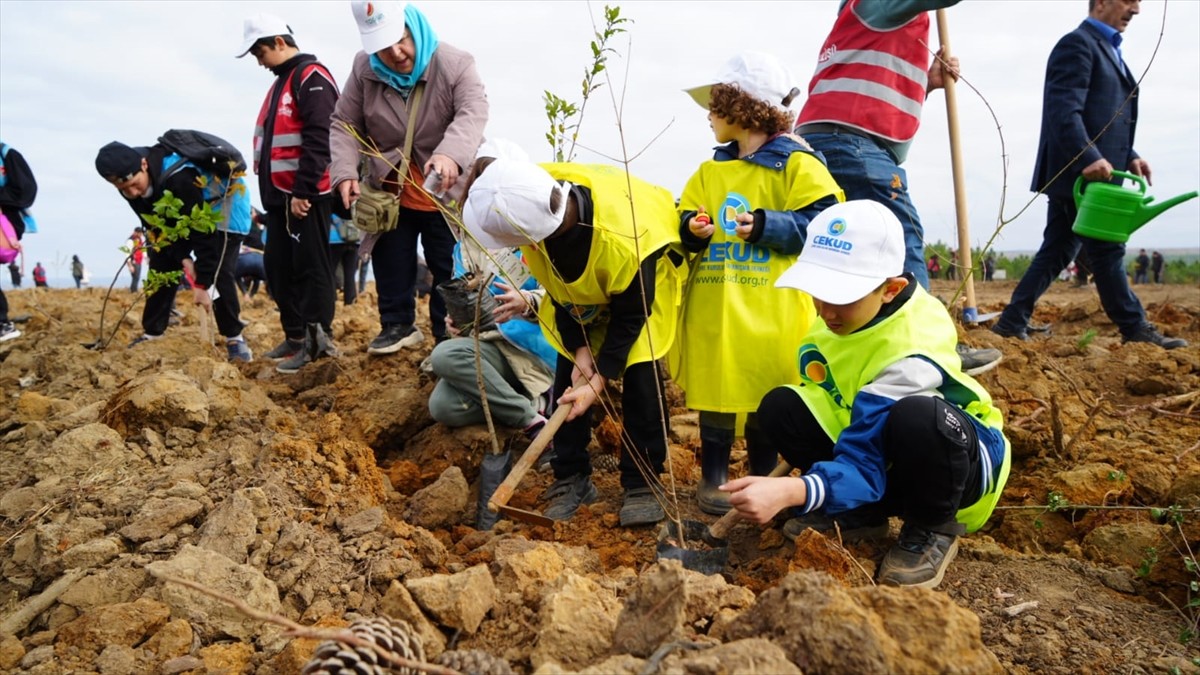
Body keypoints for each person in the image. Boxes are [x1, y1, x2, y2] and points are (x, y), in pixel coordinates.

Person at [721, 200, 1010, 589]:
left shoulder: (911, 351)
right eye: (818, 294)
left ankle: (931, 528)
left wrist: (795, 490)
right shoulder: (844, 318)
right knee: (782, 407)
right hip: (881, 444)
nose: (825, 311)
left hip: (956, 465)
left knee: (918, 418)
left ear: (891, 290)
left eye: (842, 297)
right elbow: (849, 415)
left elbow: (865, 453)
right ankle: (862, 512)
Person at [463, 157, 686, 527]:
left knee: (641, 375)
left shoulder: (625, 240)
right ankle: (571, 476)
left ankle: (643, 480)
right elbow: (558, 289)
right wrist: (581, 351)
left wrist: (600, 378)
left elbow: (632, 316)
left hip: (641, 288)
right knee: (567, 376)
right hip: (580, 293)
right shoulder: (527, 195)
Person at [673, 51, 843, 515]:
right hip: (716, 305)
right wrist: (693, 227)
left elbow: (825, 225)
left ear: (740, 108)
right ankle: (714, 477)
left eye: (716, 103)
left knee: (767, 391)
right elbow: (683, 217)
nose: (708, 114)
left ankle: (763, 476)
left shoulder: (798, 166)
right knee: (718, 391)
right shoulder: (710, 171)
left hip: (774, 307)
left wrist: (771, 225)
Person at [794, 0, 1001, 376]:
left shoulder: (871, 15)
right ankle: (928, 349)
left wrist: (927, 81)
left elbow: (874, 82)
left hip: (834, 140)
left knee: (850, 252)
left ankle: (869, 346)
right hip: (853, 143)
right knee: (899, 242)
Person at [992, 0, 1185, 349]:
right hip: (1081, 176)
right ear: (1101, 3)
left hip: (1091, 171)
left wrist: (1130, 156)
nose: (1136, 10)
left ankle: (1011, 321)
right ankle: (1134, 328)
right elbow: (1064, 110)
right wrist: (1088, 157)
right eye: (1129, 1)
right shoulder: (1077, 45)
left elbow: (1103, 119)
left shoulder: (1106, 49)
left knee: (1058, 250)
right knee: (1107, 250)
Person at [330, 0, 488, 354]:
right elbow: (344, 122)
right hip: (390, 188)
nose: (396, 53)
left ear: (414, 27)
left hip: (443, 189)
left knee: (449, 265)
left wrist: (450, 154)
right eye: (383, 48)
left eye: (401, 40)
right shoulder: (364, 69)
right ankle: (397, 325)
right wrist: (343, 172)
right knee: (392, 258)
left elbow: (473, 111)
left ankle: (447, 335)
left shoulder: (454, 63)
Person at [430, 237, 557, 531]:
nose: (447, 187)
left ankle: (534, 414)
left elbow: (569, 299)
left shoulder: (535, 237)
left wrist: (530, 303)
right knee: (443, 406)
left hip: (534, 351)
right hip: (488, 348)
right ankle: (533, 411)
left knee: (444, 355)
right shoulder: (464, 248)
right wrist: (458, 324)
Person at [239, 12, 341, 373]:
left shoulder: (311, 77)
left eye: (260, 53)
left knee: (312, 267)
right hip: (279, 199)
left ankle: (317, 343)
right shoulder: (282, 81)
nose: (259, 62)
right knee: (278, 267)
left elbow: (321, 135)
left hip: (303, 194)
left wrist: (304, 190)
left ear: (279, 43)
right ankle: (296, 336)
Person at [95, 139, 253, 361]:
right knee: (160, 261)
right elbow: (155, 226)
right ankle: (153, 331)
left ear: (143, 165)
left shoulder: (179, 178)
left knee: (218, 271)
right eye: (123, 189)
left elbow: (204, 235)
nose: (132, 191)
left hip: (224, 210)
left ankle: (234, 337)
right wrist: (183, 258)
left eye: (134, 183)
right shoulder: (128, 188)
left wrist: (201, 284)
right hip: (184, 214)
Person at [328, 213, 360, 306]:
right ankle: (350, 300)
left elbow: (331, 215)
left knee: (331, 271)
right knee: (350, 273)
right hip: (354, 238)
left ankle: (332, 299)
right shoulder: (356, 200)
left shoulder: (334, 200)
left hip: (335, 240)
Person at [126, 227, 145, 292]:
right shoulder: (130, 241)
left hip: (139, 261)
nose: (141, 235)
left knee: (137, 277)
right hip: (133, 262)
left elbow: (143, 250)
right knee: (135, 277)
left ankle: (134, 290)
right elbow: (127, 253)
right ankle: (133, 291)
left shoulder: (140, 240)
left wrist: (146, 258)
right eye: (140, 233)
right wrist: (130, 265)